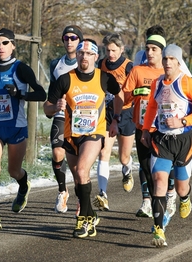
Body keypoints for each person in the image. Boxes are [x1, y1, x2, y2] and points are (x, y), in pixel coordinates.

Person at [43, 38, 123, 238]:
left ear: (96, 57)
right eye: (81, 53)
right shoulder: (65, 79)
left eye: (89, 54)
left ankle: (82, 220)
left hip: (94, 133)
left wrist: (115, 120)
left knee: (81, 170)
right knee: (80, 180)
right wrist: (55, 108)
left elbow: (120, 95)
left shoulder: (104, 78)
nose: (84, 57)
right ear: (76, 56)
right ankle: (91, 214)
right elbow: (47, 108)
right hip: (71, 136)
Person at [0, 28, 47, 230]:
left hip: (16, 128)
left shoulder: (21, 69)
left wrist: (19, 94)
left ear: (13, 45)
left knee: (13, 171)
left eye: (5, 43)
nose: (1, 47)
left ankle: (24, 187)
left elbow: (42, 95)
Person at [141, 44, 192, 247]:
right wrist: (145, 129)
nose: (167, 62)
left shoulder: (187, 83)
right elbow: (152, 106)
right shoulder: (157, 83)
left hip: (183, 140)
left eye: (172, 59)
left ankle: (185, 198)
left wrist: (183, 121)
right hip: (162, 140)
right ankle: (159, 230)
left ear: (179, 62)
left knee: (180, 187)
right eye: (165, 59)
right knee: (159, 181)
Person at [123, 25, 177, 219]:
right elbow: (126, 96)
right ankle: (152, 200)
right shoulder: (137, 70)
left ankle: (167, 198)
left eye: (154, 49)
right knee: (146, 167)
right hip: (141, 126)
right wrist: (134, 95)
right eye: (148, 48)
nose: (150, 52)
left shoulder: (169, 71)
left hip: (163, 129)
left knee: (164, 167)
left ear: (162, 52)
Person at [92, 33, 135, 211]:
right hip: (108, 113)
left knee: (123, 157)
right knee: (104, 151)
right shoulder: (101, 64)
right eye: (108, 50)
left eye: (114, 50)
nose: (110, 54)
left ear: (121, 50)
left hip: (126, 113)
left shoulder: (128, 66)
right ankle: (103, 193)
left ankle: (127, 170)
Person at [47, 25, 83, 213]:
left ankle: (81, 198)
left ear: (80, 41)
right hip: (62, 116)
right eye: (66, 38)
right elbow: (51, 94)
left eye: (73, 38)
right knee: (57, 154)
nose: (69, 41)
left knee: (78, 165)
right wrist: (53, 107)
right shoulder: (56, 64)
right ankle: (62, 191)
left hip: (82, 117)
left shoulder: (86, 61)